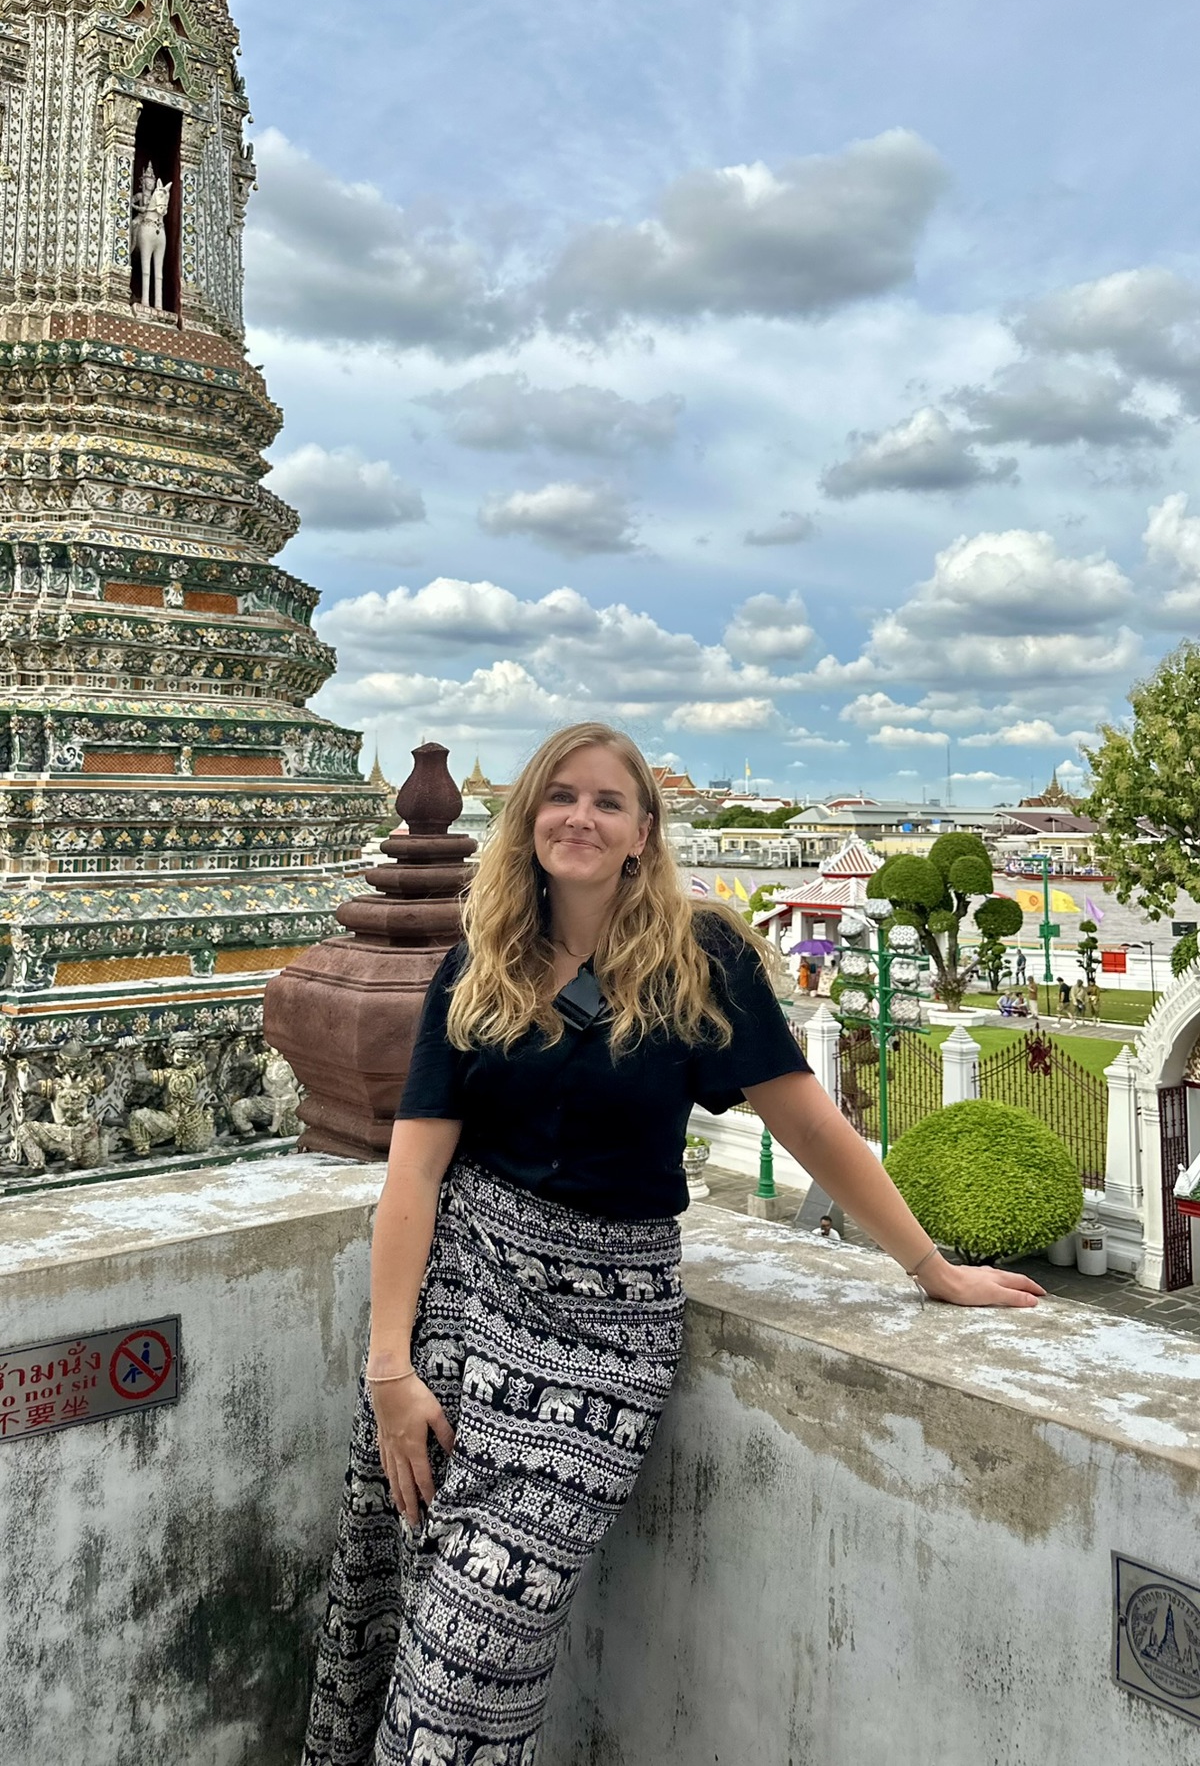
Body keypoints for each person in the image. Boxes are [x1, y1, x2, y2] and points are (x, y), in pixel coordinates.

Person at [302, 723, 1043, 1766]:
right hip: (461, 1309)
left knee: (477, 1643)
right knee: (394, 1597)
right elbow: (415, 1176)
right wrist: (390, 1368)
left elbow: (809, 1124)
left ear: (644, 832)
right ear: (527, 818)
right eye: (560, 796)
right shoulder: (481, 961)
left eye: (608, 801)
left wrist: (931, 1268)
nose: (581, 817)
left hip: (606, 1340)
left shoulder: (703, 959)